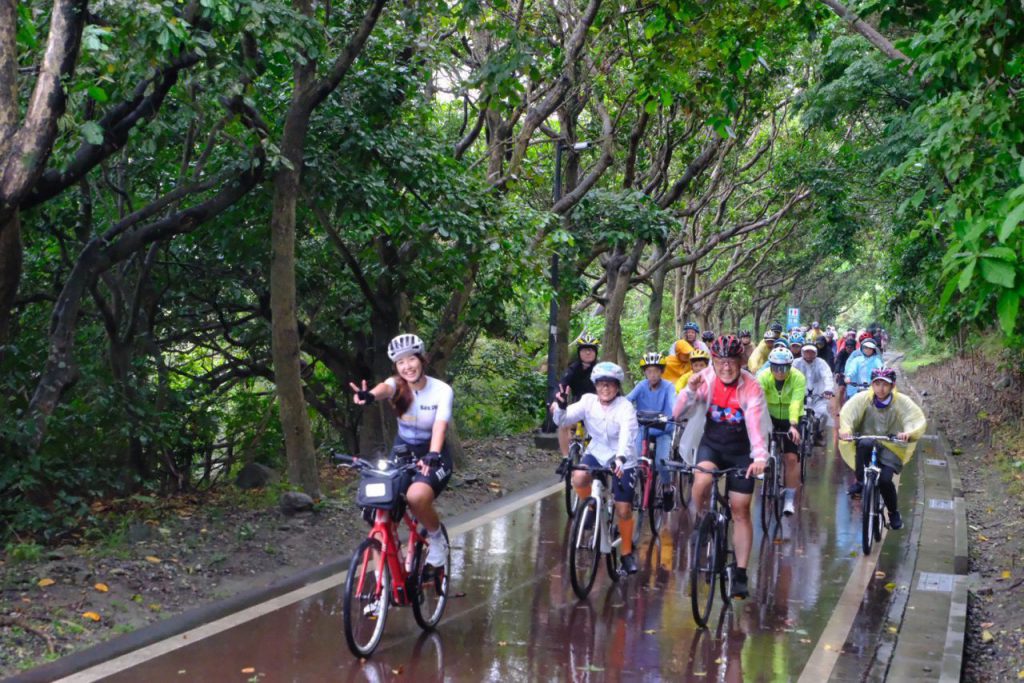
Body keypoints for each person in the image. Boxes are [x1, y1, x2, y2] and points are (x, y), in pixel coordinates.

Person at [672, 335, 769, 599]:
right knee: (701, 481)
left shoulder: (752, 387)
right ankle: (701, 520)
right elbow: (677, 413)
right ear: (713, 361)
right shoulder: (705, 379)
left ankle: (739, 572)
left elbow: (755, 424)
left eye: (731, 362)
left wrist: (760, 457)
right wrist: (690, 390)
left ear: (740, 362)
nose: (726, 367)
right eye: (720, 361)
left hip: (742, 451)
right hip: (712, 445)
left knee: (740, 510)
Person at [350, 333, 453, 567]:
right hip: (402, 450)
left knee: (416, 497)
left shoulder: (441, 390)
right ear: (396, 366)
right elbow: (384, 389)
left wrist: (434, 454)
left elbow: (440, 426)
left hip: (433, 453)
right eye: (400, 362)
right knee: (379, 511)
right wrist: (368, 396)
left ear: (422, 359)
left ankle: (436, 539)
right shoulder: (396, 385)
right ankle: (381, 591)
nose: (407, 366)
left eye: (411, 359)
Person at [552, 362, 641, 574]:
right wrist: (562, 407)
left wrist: (619, 460)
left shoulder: (625, 407)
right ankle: (591, 507)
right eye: (601, 384)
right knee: (580, 477)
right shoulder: (588, 401)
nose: (605, 388)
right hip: (598, 450)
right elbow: (562, 420)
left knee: (623, 508)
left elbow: (627, 437)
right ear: (595, 386)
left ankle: (627, 554)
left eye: (610, 384)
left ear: (617, 387)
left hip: (623, 456)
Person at [838, 367, 927, 529]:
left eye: (885, 384)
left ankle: (893, 513)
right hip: (868, 441)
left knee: (886, 480)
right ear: (872, 385)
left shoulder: (902, 402)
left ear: (892, 386)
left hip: (893, 446)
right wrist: (846, 430)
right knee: (863, 445)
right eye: (877, 384)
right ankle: (860, 480)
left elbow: (913, 418)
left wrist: (907, 433)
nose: (881, 388)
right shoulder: (863, 399)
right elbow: (849, 414)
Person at [757, 347, 805, 517]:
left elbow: (796, 402)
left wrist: (793, 425)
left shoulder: (798, 377)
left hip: (790, 418)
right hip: (769, 415)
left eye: (784, 368)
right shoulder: (763, 377)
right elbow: (758, 400)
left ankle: (789, 499)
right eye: (775, 367)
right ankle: (764, 464)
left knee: (791, 459)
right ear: (770, 366)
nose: (779, 372)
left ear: (790, 367)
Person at [627, 353, 677, 481]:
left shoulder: (669, 387)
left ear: (662, 371)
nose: (653, 375)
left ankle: (667, 486)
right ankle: (640, 487)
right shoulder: (641, 385)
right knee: (637, 459)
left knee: (661, 462)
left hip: (663, 428)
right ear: (645, 373)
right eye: (649, 371)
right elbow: (628, 399)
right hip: (644, 428)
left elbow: (673, 403)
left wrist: (675, 414)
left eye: (656, 371)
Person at [557, 332, 600, 458]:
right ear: (579, 352)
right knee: (563, 424)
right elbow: (562, 385)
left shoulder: (600, 369)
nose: (588, 353)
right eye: (585, 350)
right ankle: (566, 458)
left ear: (595, 353)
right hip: (578, 407)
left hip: (596, 410)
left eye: (591, 350)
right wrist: (557, 400)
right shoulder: (573, 368)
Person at [793, 343, 836, 430]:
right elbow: (789, 376)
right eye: (807, 352)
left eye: (811, 352)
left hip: (818, 396)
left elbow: (827, 376)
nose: (809, 354)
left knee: (824, 414)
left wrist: (828, 389)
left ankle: (820, 432)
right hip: (800, 396)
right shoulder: (796, 363)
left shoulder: (821, 363)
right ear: (802, 352)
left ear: (815, 353)